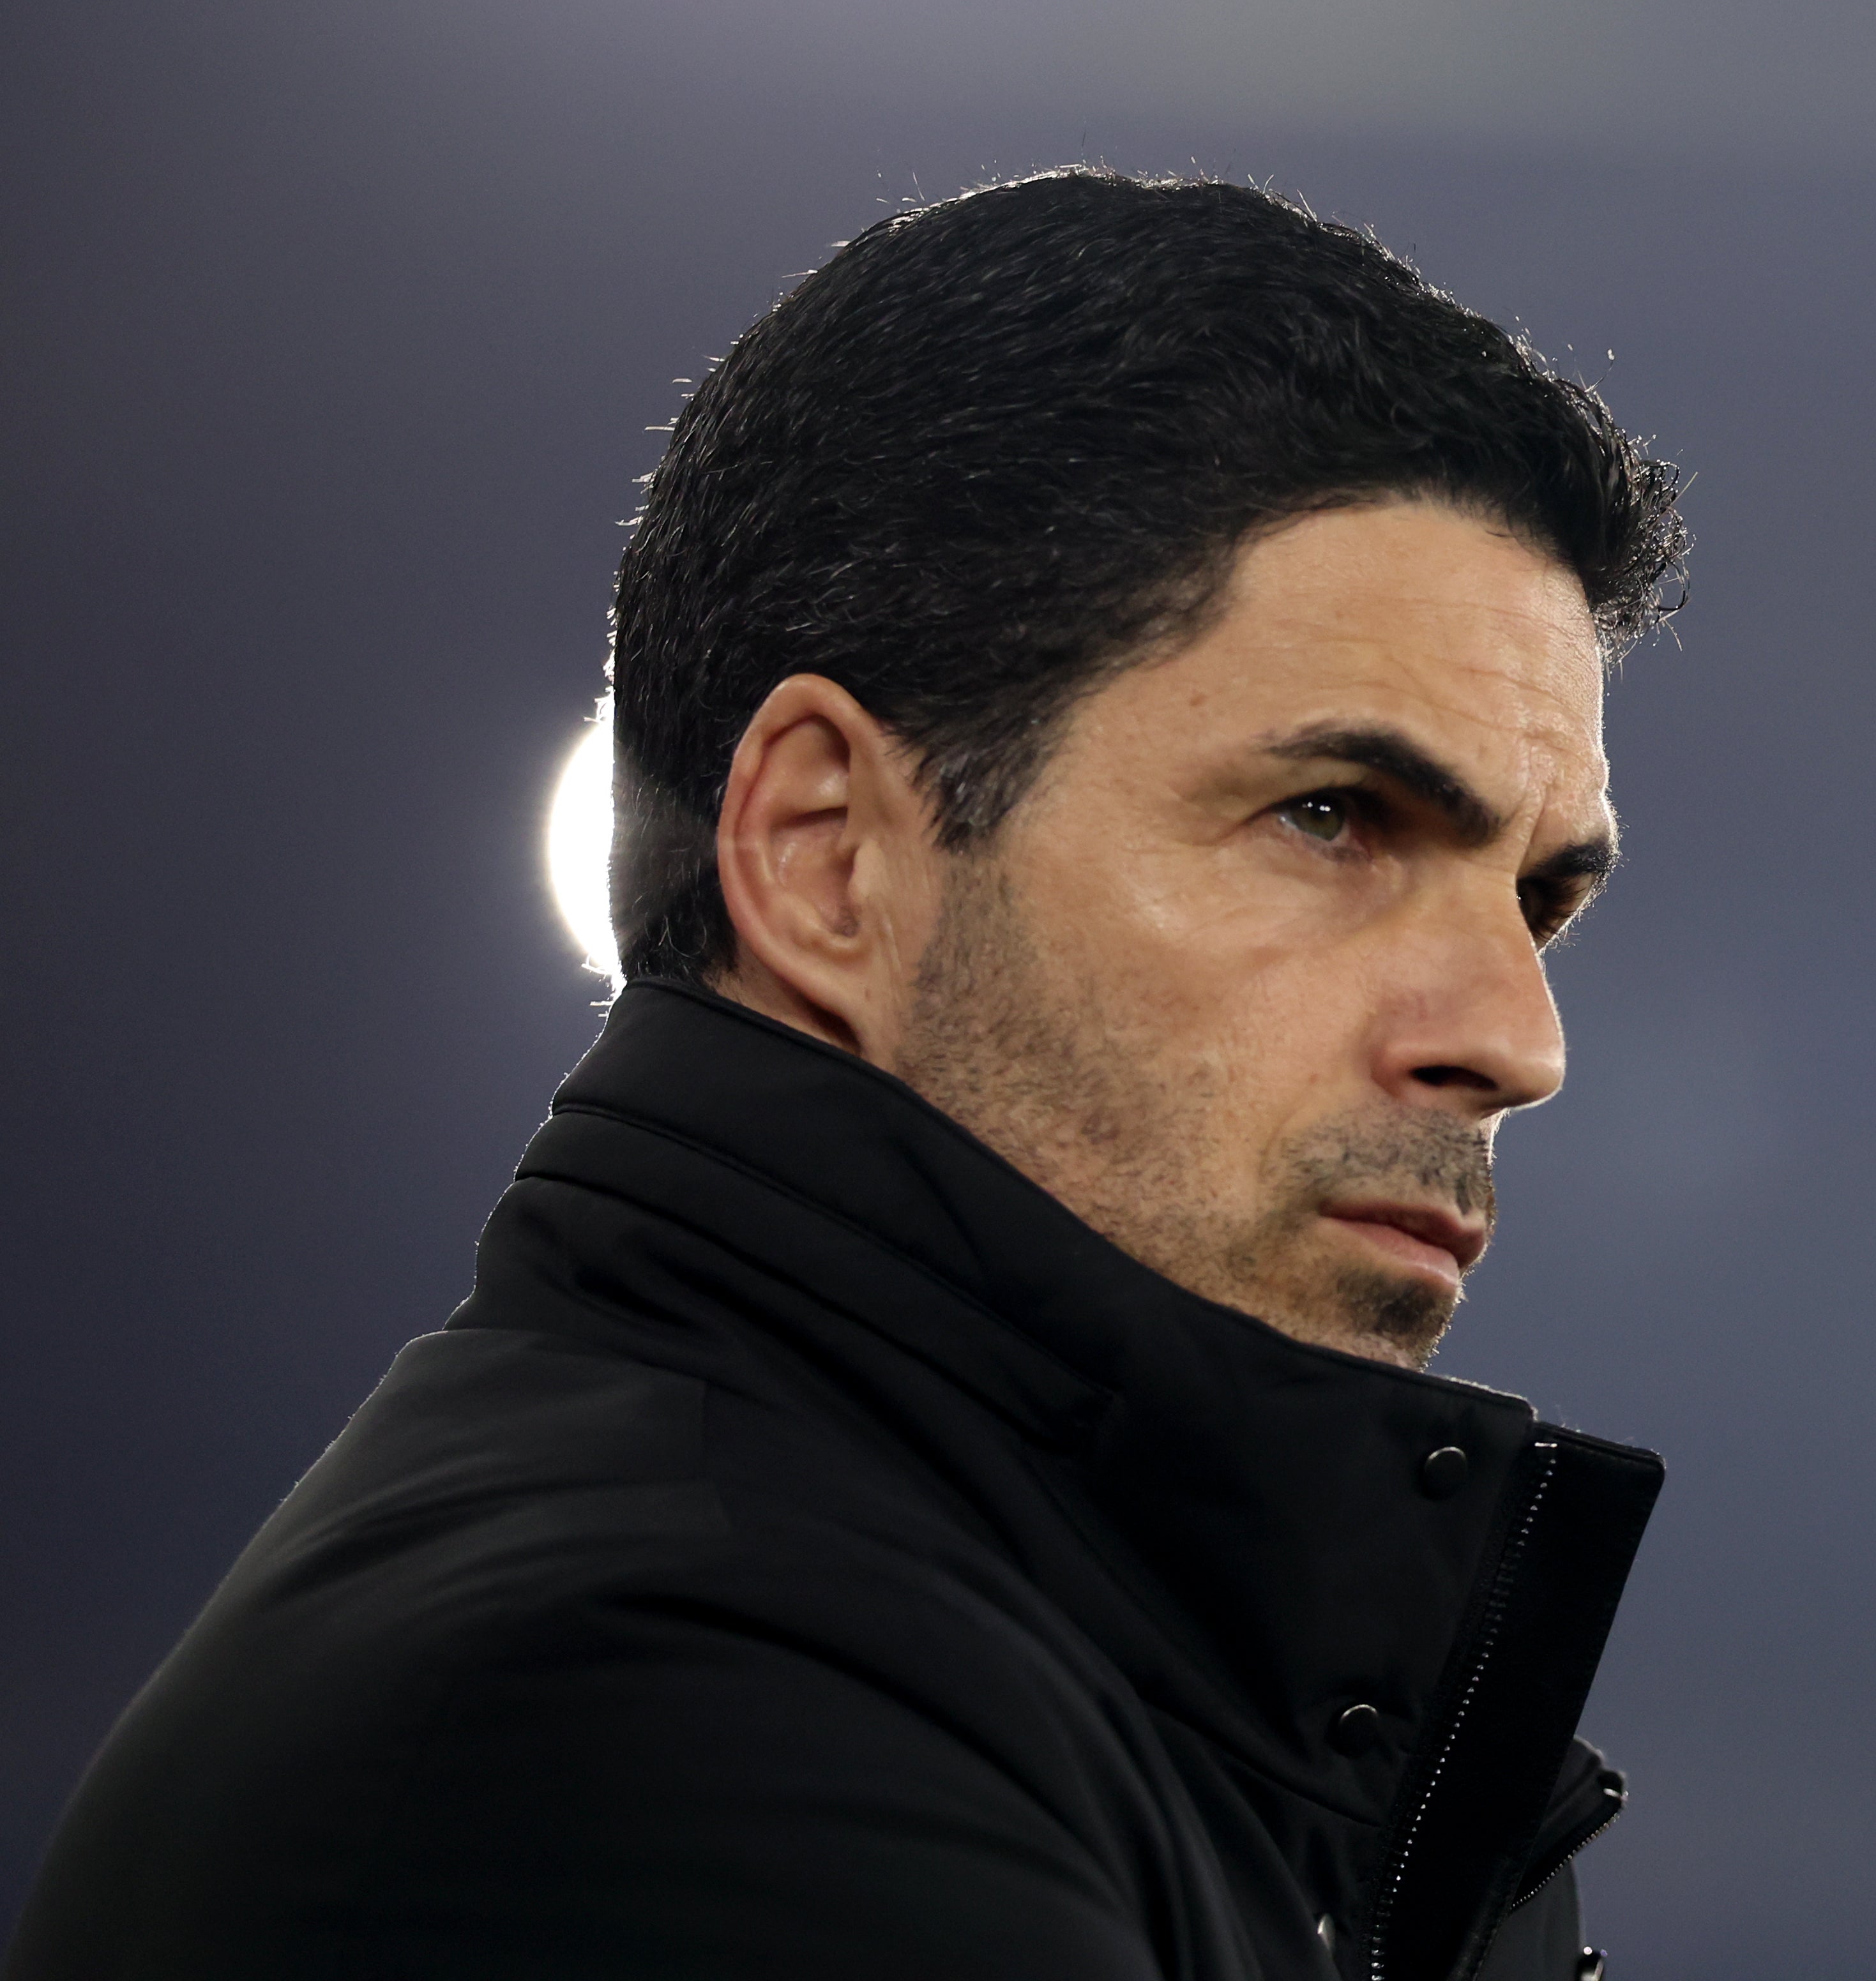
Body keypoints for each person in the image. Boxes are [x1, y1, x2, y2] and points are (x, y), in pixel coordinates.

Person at [6, 171, 1689, 1981]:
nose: (1518, 1041)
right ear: (829, 859)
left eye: (1536, 898)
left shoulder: (1029, 1675)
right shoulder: (658, 1727)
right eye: (1332, 818)